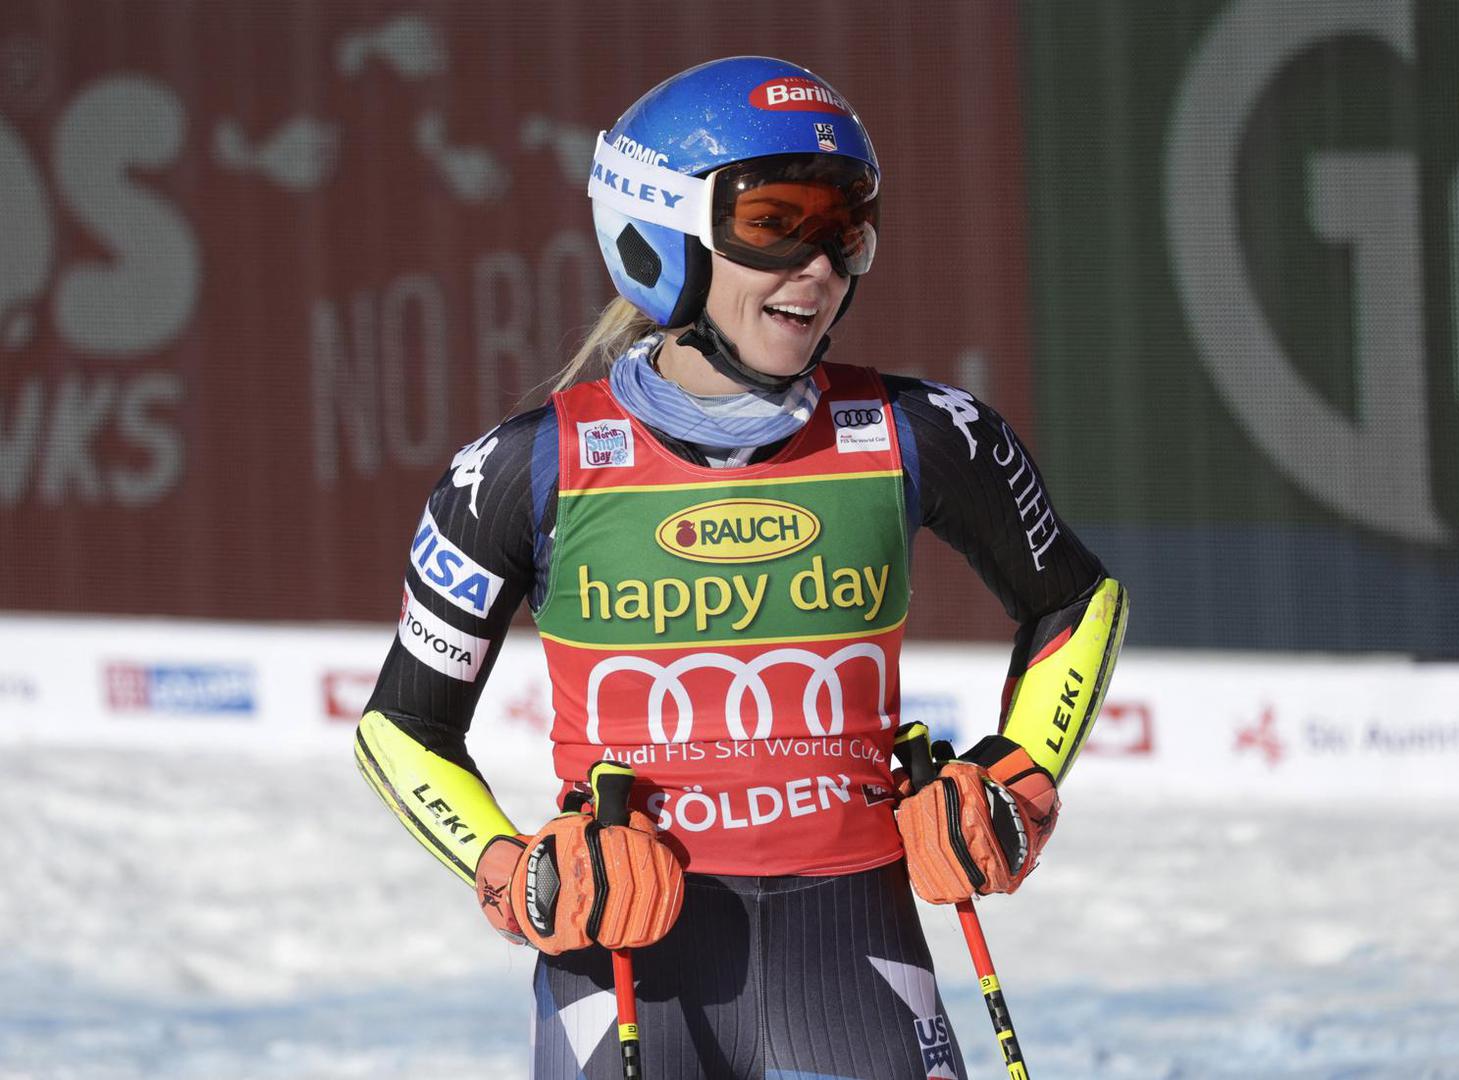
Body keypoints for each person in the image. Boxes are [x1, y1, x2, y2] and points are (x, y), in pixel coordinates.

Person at [356, 55, 1127, 1079]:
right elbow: (401, 727)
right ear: (658, 236)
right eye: (774, 223)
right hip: (627, 956)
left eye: (846, 227)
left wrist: (1013, 773)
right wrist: (512, 869)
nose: (819, 266)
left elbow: (1076, 599)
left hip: (852, 941)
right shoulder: (524, 468)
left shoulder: (924, 432)